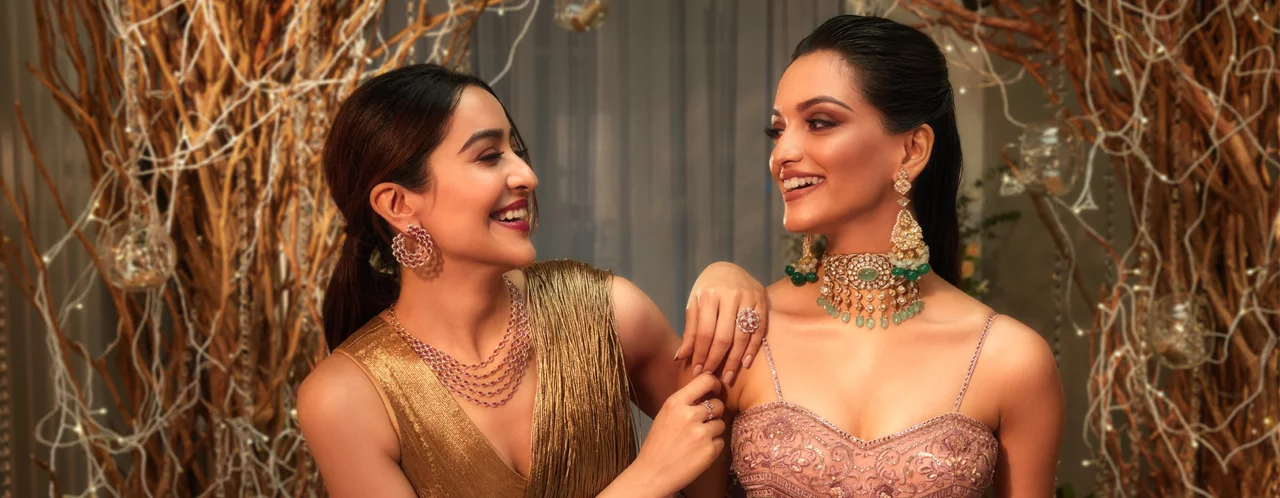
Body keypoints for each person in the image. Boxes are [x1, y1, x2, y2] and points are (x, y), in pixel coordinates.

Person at [297, 64, 769, 497]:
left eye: (516, 152)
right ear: (398, 204)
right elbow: (662, 472)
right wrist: (644, 482)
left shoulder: (607, 312)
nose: (526, 175)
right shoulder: (345, 398)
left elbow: (723, 465)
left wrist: (727, 278)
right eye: (488, 157)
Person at [688, 15, 1065, 498]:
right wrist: (719, 272)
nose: (782, 152)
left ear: (911, 149)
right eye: (777, 130)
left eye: (820, 122)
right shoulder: (739, 336)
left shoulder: (1010, 359)